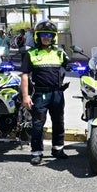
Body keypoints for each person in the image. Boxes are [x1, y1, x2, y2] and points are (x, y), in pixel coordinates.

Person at [20, 20, 70, 166]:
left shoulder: (60, 53)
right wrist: (25, 96)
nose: (46, 37)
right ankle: (36, 152)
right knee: (37, 124)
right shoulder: (31, 54)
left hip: (57, 94)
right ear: (38, 36)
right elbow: (24, 75)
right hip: (40, 94)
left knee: (59, 122)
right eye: (43, 35)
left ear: (53, 36)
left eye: (49, 35)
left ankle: (58, 149)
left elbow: (70, 65)